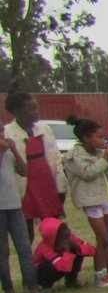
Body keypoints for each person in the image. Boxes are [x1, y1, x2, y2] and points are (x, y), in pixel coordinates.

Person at [62, 116, 108, 287]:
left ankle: (104, 273)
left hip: (105, 195)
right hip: (90, 199)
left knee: (105, 237)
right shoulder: (73, 156)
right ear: (87, 138)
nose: (104, 140)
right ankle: (99, 275)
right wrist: (105, 160)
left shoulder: (101, 152)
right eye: (99, 137)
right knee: (103, 238)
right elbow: (87, 173)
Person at [3, 91, 66, 238]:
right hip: (24, 188)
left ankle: (53, 259)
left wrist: (60, 183)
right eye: (31, 109)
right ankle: (30, 260)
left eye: (36, 107)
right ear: (17, 111)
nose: (36, 112)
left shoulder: (44, 129)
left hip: (47, 185)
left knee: (54, 229)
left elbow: (55, 156)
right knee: (26, 232)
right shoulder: (7, 133)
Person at [0, 135, 49, 293]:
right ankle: (8, 290)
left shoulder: (8, 152)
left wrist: (13, 149)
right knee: (3, 251)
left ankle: (32, 289)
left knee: (25, 249)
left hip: (14, 206)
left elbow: (25, 171)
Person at [33, 218, 95, 291]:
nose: (68, 231)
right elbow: (64, 267)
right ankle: (46, 286)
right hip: (39, 276)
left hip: (61, 266)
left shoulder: (70, 238)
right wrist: (66, 251)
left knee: (78, 251)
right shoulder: (44, 247)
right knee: (50, 265)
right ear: (54, 235)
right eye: (64, 230)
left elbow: (92, 250)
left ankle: (71, 281)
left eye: (67, 228)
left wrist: (76, 246)